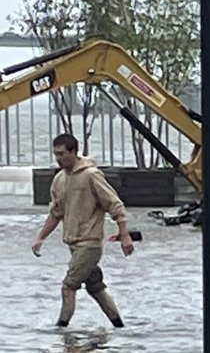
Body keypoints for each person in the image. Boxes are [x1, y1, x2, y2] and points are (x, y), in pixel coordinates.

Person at [31, 133, 134, 328]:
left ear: (73, 151)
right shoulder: (59, 179)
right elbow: (56, 213)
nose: (59, 159)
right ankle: (120, 327)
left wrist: (125, 235)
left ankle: (61, 331)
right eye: (55, 155)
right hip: (73, 244)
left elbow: (115, 205)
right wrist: (40, 238)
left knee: (68, 287)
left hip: (90, 244)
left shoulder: (91, 175)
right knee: (96, 288)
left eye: (62, 154)